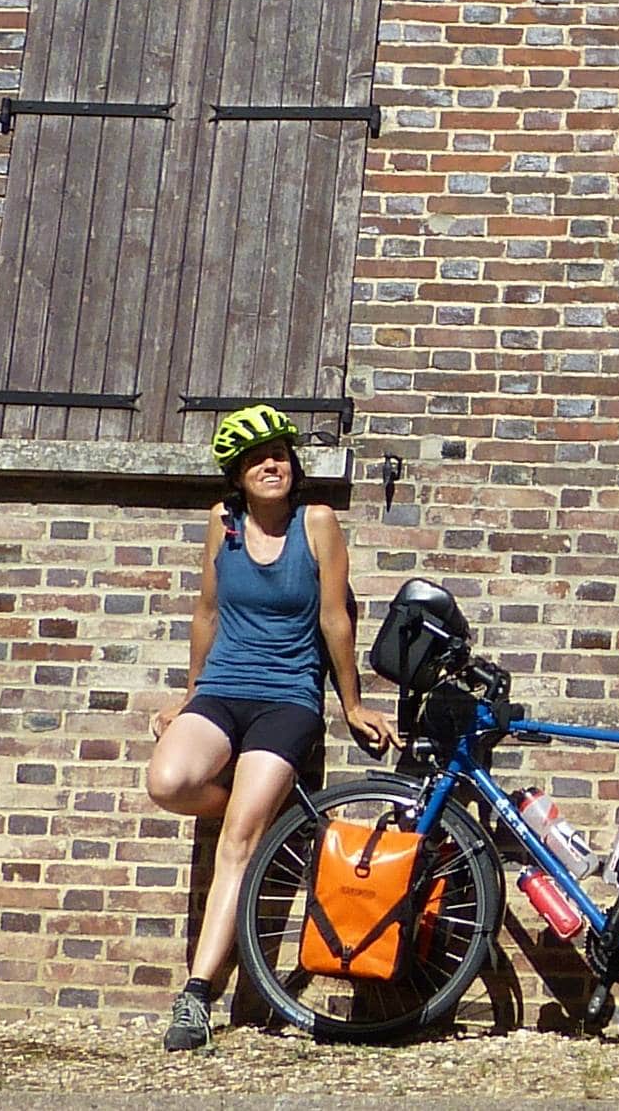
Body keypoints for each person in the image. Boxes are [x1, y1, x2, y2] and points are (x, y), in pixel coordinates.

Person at [143, 404, 395, 1051]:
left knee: (237, 847)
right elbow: (206, 609)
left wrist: (351, 702)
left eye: (280, 453)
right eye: (257, 459)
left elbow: (337, 618)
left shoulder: (317, 522)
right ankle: (251, 814)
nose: (272, 464)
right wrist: (189, 694)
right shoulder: (220, 524)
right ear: (238, 474)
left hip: (287, 698)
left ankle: (196, 995)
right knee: (168, 780)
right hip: (223, 688)